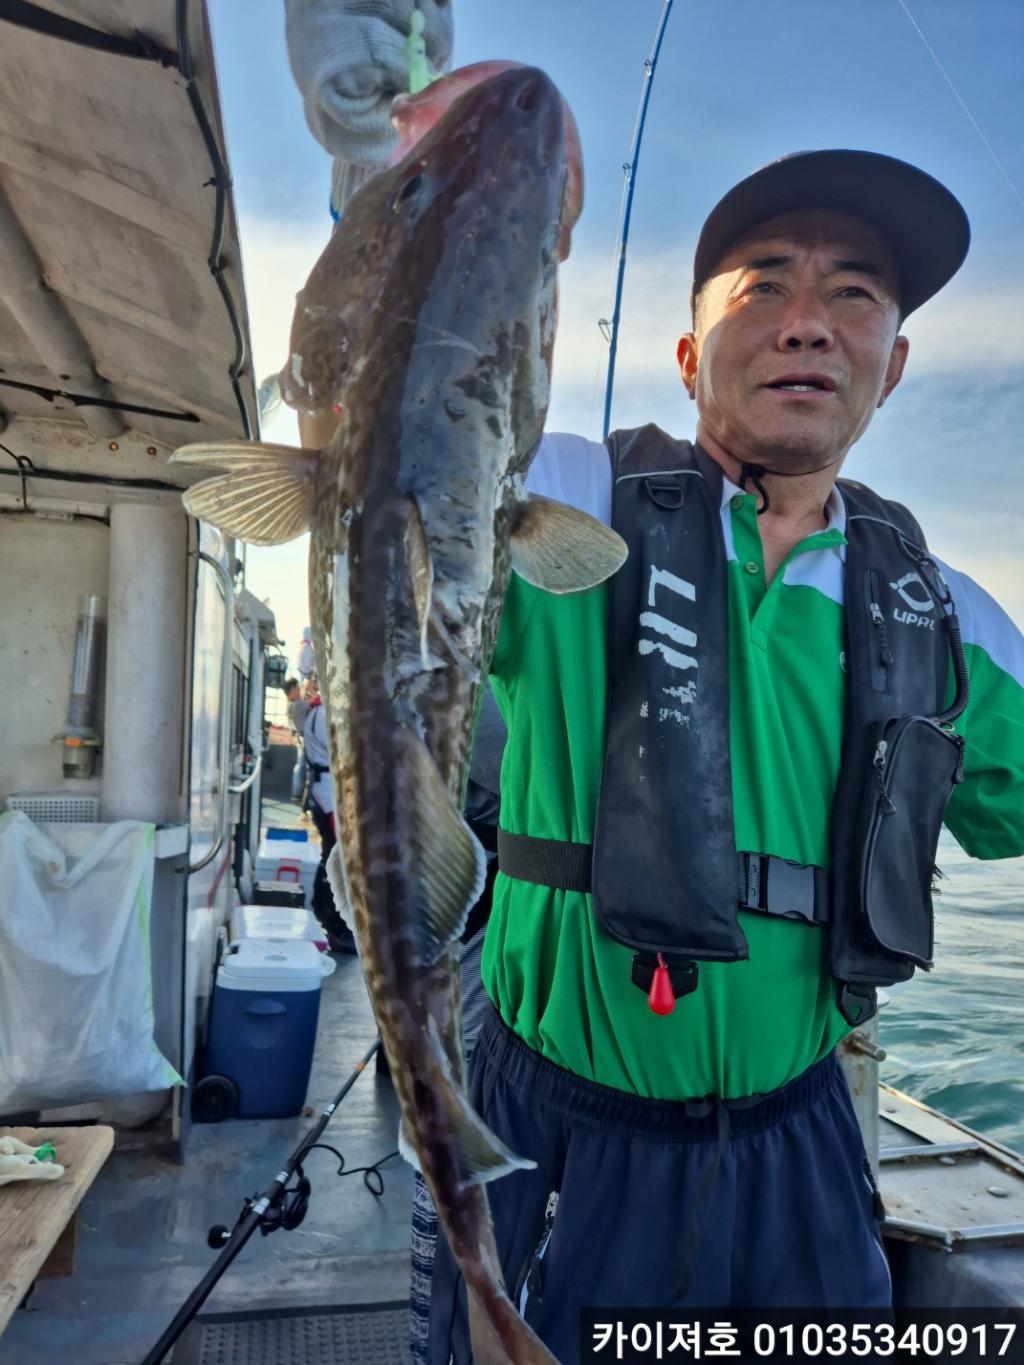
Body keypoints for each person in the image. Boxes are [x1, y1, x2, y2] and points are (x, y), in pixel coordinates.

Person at [413, 151, 1024, 1362]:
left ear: (892, 365)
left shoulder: (946, 611)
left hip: (803, 1137)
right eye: (761, 287)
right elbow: (412, 439)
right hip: (562, 1132)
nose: (808, 323)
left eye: (855, 295)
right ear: (689, 357)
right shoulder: (568, 493)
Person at [302, 686, 358, 954]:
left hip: (326, 791)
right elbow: (346, 749)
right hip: (329, 795)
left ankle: (328, 915)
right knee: (336, 856)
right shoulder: (324, 714)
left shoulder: (316, 712)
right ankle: (334, 923)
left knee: (330, 853)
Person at [282, 677, 310, 803]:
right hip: (305, 738)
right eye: (297, 687)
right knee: (303, 767)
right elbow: (315, 702)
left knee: (301, 765)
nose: (299, 689)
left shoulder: (294, 705)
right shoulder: (297, 705)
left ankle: (297, 795)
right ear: (292, 691)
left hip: (302, 737)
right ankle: (297, 794)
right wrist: (309, 688)